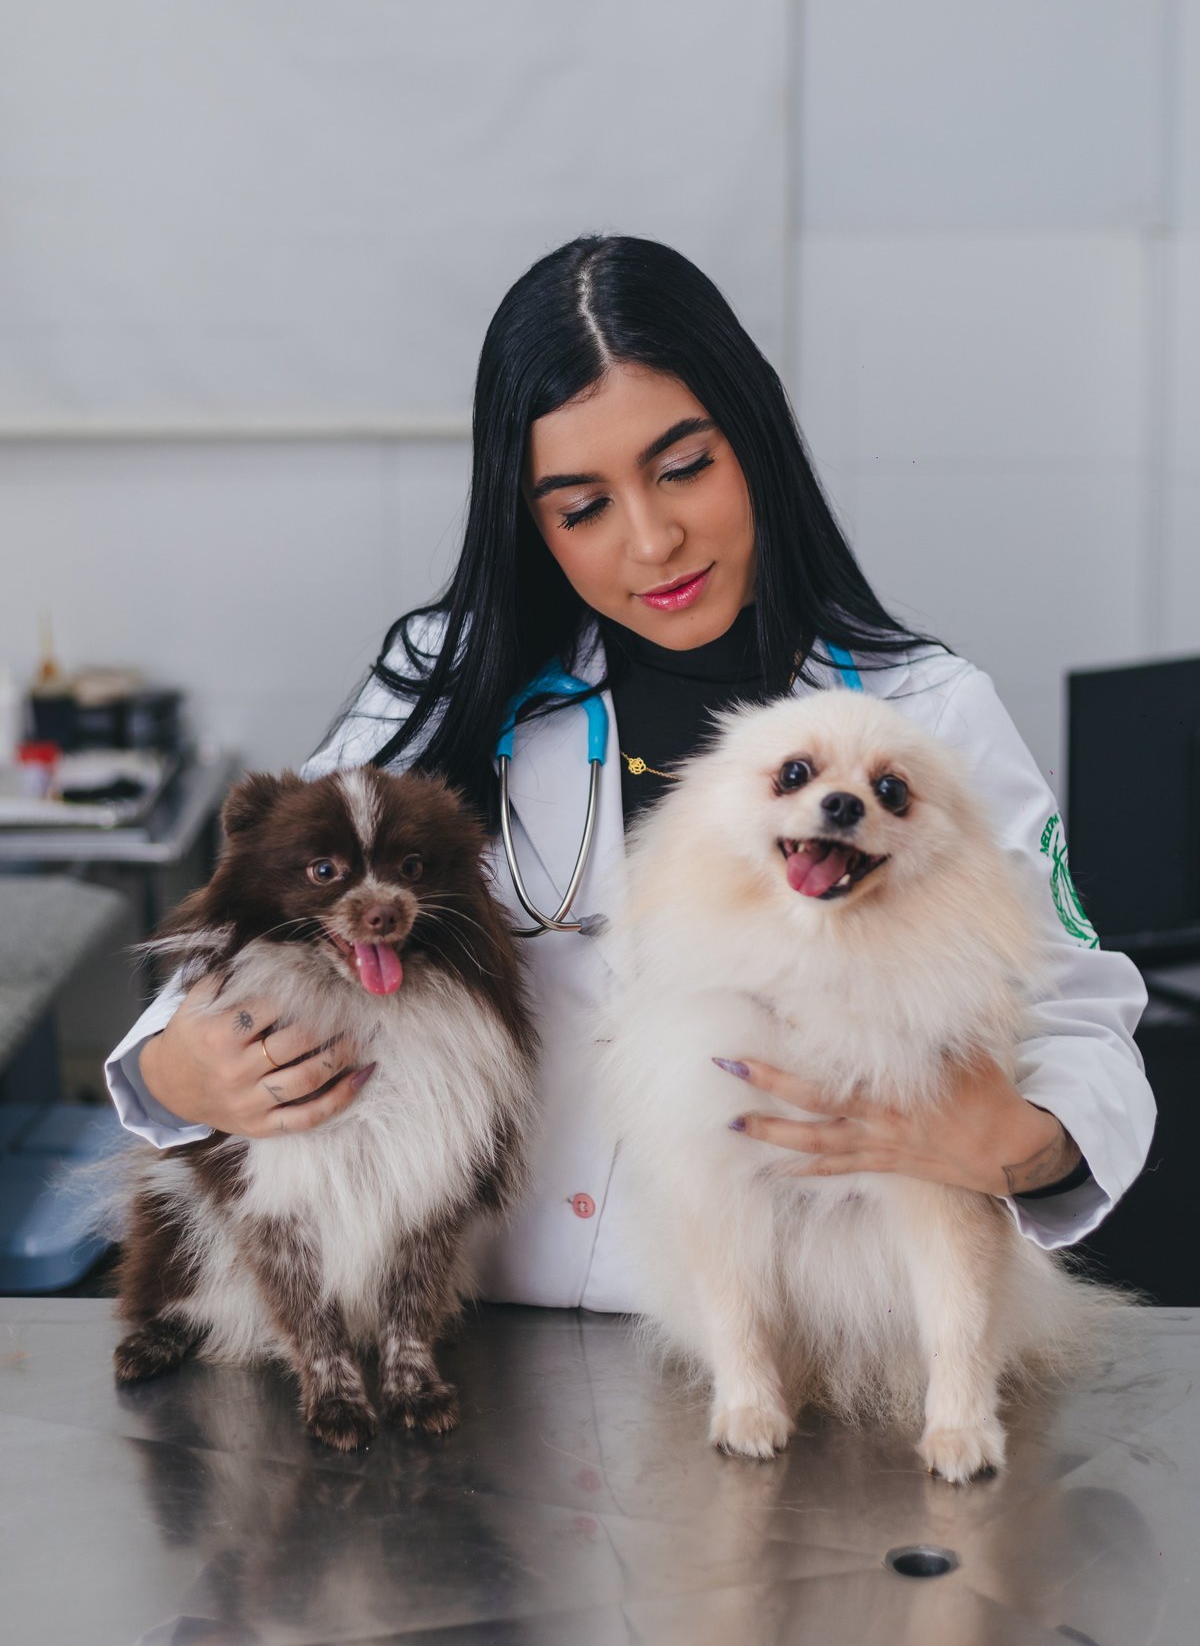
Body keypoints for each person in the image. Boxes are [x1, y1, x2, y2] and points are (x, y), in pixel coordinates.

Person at [106, 235, 1155, 1312]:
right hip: (478, 1341)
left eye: (684, 467)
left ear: (756, 438)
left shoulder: (922, 719)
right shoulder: (440, 689)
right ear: (530, 521)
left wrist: (1025, 1145)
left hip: (797, 1350)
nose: (651, 541)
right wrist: (177, 1075)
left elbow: (1078, 1010)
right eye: (582, 506)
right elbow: (238, 947)